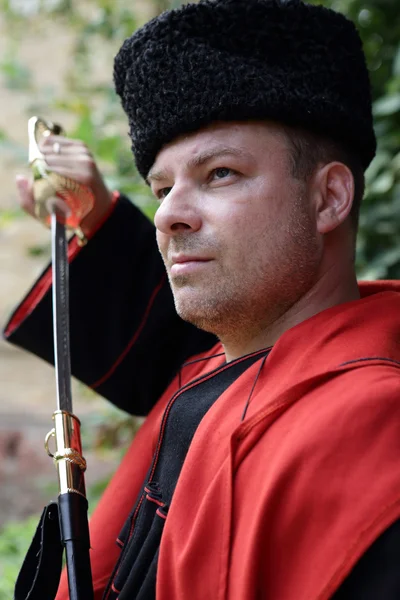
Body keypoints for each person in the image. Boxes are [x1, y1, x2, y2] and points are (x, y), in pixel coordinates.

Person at [4, 0, 400, 598]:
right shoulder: (226, 362)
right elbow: (188, 356)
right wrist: (98, 214)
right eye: (162, 188)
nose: (167, 215)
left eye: (220, 173)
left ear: (329, 199)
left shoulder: (376, 428)